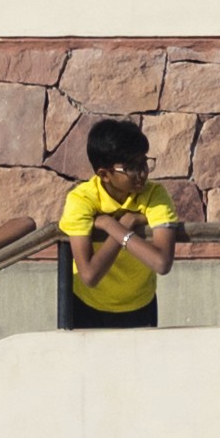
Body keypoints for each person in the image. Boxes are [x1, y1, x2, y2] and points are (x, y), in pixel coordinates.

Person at [54, 117, 181, 331]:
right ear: (104, 174)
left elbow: (161, 263)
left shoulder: (154, 194)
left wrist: (116, 225)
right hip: (87, 307)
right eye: (131, 167)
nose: (142, 173)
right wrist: (123, 228)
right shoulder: (82, 199)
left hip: (140, 305)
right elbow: (89, 275)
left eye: (144, 163)